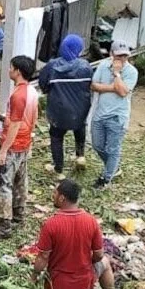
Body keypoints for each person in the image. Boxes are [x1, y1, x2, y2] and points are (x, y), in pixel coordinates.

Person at [0, 55, 38, 240]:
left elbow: (14, 124)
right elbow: (33, 118)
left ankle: (4, 225)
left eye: (11, 67)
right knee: (20, 180)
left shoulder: (18, 95)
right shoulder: (32, 92)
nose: (9, 70)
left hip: (13, 144)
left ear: (18, 71)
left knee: (2, 183)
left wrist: (3, 149)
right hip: (24, 143)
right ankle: (18, 212)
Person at [33, 180, 115, 289]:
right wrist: (87, 261)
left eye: (55, 193)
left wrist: (33, 277)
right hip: (85, 284)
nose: (53, 196)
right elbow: (99, 255)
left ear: (61, 198)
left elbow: (43, 257)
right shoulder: (91, 221)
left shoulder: (51, 224)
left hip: (58, 288)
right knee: (105, 262)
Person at [38, 34, 93, 180]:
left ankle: (59, 169)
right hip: (80, 109)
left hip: (58, 110)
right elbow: (90, 85)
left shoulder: (52, 66)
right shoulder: (85, 66)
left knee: (56, 137)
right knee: (80, 127)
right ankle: (80, 156)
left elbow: (43, 84)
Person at [89, 41, 138, 188]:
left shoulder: (131, 71)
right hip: (100, 113)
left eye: (125, 56)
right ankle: (114, 167)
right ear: (111, 55)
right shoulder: (103, 65)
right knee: (97, 145)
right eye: (119, 56)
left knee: (113, 149)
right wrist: (113, 87)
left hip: (117, 117)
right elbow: (93, 85)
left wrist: (117, 74)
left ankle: (106, 178)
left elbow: (123, 92)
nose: (122, 59)